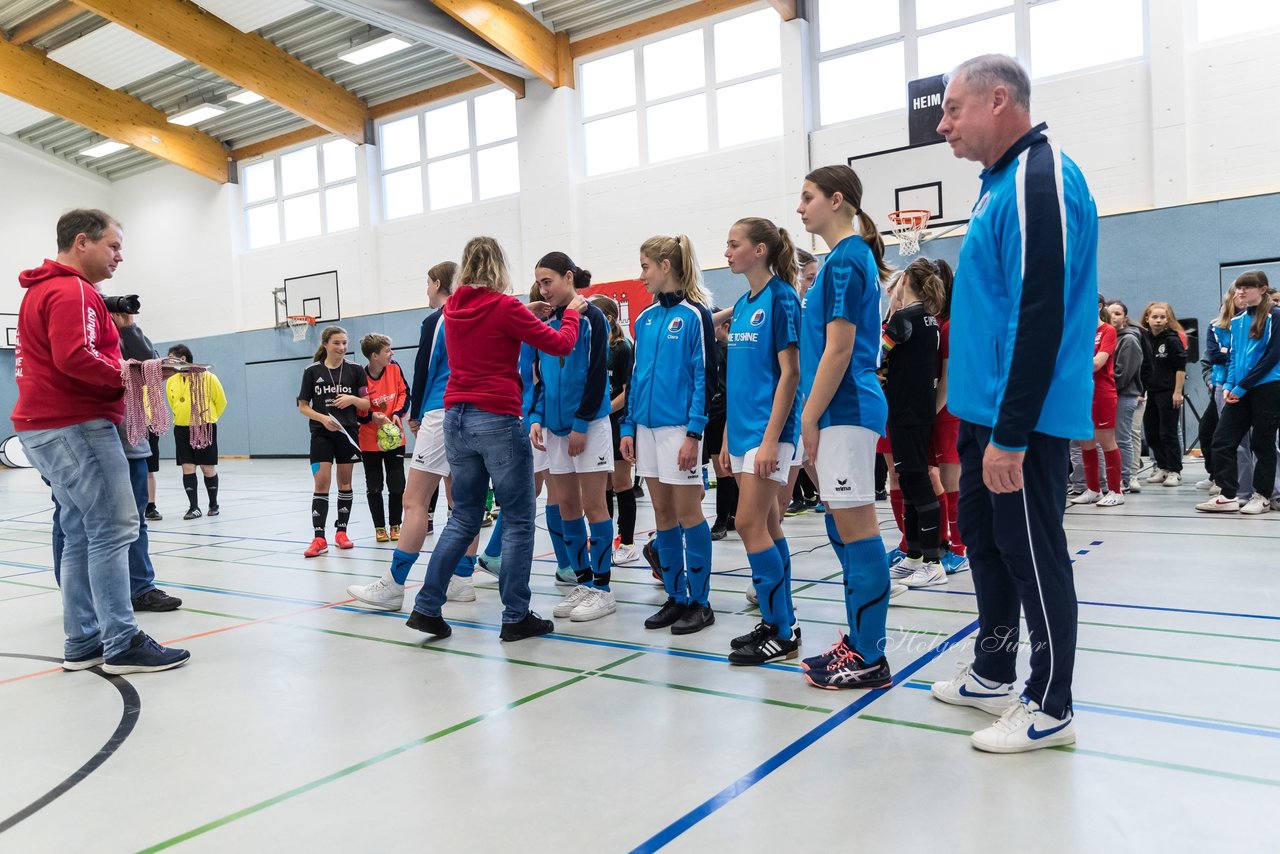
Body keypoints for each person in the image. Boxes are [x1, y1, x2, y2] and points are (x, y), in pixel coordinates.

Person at [928, 55, 1095, 753]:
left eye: (953, 109)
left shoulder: (1039, 175)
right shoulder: (996, 184)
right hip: (980, 411)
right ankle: (995, 669)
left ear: (999, 101)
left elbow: (1040, 307)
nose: (943, 125)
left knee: (1034, 553)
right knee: (988, 545)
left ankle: (1050, 704)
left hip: (1016, 420)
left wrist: (1013, 432)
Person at [14, 208, 189, 673]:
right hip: (76, 424)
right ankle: (122, 641)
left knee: (78, 532)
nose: (119, 256)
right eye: (113, 246)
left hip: (44, 427)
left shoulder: (44, 290)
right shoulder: (72, 290)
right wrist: (139, 375)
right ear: (81, 243)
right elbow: (77, 358)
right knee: (112, 530)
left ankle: (84, 640)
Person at [404, 237, 586, 642]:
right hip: (497, 419)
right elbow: (560, 344)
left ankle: (427, 605)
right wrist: (569, 313)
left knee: (464, 517)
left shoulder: (452, 309)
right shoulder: (504, 307)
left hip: (456, 419)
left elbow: (489, 325)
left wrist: (524, 312)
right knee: (520, 518)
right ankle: (516, 615)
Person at [792, 164, 896, 691]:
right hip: (839, 409)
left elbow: (839, 348)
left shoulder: (845, 261)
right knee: (843, 528)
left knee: (858, 532)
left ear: (836, 200)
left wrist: (808, 416)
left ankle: (871, 657)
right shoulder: (844, 260)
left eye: (807, 196)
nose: (800, 207)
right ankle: (858, 641)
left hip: (845, 407)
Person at [347, 262, 482, 609]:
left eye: (427, 283)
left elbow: (424, 370)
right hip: (477, 413)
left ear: (438, 283)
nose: (426, 290)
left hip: (441, 411)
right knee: (463, 502)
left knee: (414, 500)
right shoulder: (482, 312)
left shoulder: (437, 319)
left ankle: (394, 585)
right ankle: (462, 579)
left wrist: (417, 413)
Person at [621, 235, 718, 636]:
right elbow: (636, 377)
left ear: (665, 265)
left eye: (645, 266)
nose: (641, 275)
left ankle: (700, 601)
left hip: (680, 429)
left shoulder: (696, 314)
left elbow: (704, 377)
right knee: (662, 516)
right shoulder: (644, 320)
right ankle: (676, 597)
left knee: (688, 513)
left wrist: (694, 433)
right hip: (645, 428)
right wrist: (628, 426)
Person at [718, 216, 803, 665]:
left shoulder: (782, 298)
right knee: (767, 526)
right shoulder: (744, 301)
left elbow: (790, 373)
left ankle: (782, 630)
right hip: (744, 432)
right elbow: (741, 378)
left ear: (761, 250)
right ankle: (779, 621)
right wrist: (730, 435)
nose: (727, 253)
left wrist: (771, 440)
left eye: (734, 245)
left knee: (749, 524)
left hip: (772, 434)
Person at [528, 252, 618, 623]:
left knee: (594, 504)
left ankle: (602, 587)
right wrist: (536, 416)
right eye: (539, 283)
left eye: (548, 281)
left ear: (568, 277)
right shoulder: (546, 321)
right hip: (553, 427)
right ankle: (581, 581)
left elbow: (597, 375)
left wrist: (582, 423)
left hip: (589, 426)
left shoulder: (592, 317)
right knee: (565, 505)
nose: (543, 289)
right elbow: (540, 377)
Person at [882, 259, 947, 588]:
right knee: (909, 481)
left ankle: (933, 561)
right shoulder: (930, 319)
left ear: (904, 280)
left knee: (917, 482)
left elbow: (878, 355)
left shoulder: (904, 318)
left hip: (906, 411)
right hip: (916, 410)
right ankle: (915, 555)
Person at [1197, 272, 1280, 514]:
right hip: (1239, 389)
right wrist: (1231, 386)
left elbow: (1272, 357)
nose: (1241, 292)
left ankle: (1262, 495)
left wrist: (1242, 386)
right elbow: (1233, 357)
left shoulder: (1276, 316)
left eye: (1247, 288)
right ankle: (1228, 494)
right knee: (1222, 440)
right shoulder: (1238, 320)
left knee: (1262, 443)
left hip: (1268, 388)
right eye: (1238, 288)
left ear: (1262, 289)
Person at [297, 326, 369, 557]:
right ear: (326, 344)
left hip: (347, 433)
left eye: (345, 343)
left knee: (345, 484)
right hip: (321, 434)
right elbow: (303, 406)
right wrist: (323, 418)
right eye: (337, 343)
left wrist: (352, 399)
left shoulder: (356, 370)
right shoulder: (311, 371)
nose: (342, 348)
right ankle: (319, 538)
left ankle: (342, 533)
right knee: (321, 483)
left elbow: (367, 404)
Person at [591, 294, 640, 566]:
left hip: (618, 423)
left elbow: (627, 391)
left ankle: (628, 541)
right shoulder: (595, 349)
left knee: (622, 483)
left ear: (608, 319)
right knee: (604, 486)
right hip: (600, 424)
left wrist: (603, 410)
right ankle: (606, 539)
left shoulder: (622, 349)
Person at [1070, 297, 1124, 506]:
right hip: (1081, 393)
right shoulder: (1078, 331)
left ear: (1099, 306)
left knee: (1106, 441)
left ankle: (1116, 491)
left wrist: (1073, 362)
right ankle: (1093, 489)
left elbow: (1097, 363)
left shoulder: (1107, 331)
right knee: (1086, 441)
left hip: (1101, 392)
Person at [357, 333, 410, 542]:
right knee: (374, 485)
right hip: (370, 441)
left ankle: (396, 525)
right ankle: (380, 527)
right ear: (374, 356)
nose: (392, 353)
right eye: (387, 351)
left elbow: (405, 393)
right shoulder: (360, 377)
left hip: (395, 438)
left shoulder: (394, 367)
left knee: (397, 483)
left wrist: (396, 413)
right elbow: (358, 410)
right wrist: (371, 416)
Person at [165, 343, 227, 519]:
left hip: (204, 427)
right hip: (182, 428)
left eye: (171, 359)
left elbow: (221, 402)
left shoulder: (208, 377)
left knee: (207, 468)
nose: (168, 363)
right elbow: (173, 403)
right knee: (187, 467)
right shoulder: (171, 380)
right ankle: (194, 507)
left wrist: (209, 419)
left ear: (182, 359)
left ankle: (213, 504)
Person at [1140, 301, 1187, 487]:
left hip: (1168, 392)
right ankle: (1162, 466)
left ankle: (1175, 470)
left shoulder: (1172, 339)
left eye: (1162, 317)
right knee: (1152, 433)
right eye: (1154, 317)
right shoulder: (1144, 338)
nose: (1158, 321)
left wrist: (1177, 392)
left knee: (1168, 433)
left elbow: (1180, 368)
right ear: (1147, 319)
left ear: (1167, 320)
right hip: (1149, 392)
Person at [1107, 300, 1149, 493]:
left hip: (1124, 394)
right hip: (1111, 393)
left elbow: (1124, 374)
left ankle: (1126, 477)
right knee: (1111, 438)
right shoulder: (1107, 336)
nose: (1113, 317)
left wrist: (1107, 389)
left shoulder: (1129, 339)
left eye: (1117, 313)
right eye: (1110, 313)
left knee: (1124, 438)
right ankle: (1116, 476)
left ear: (1125, 317)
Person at [705, 313, 736, 539]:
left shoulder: (725, 349)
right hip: (709, 414)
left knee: (723, 469)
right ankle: (731, 514)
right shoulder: (707, 349)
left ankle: (722, 520)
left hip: (721, 414)